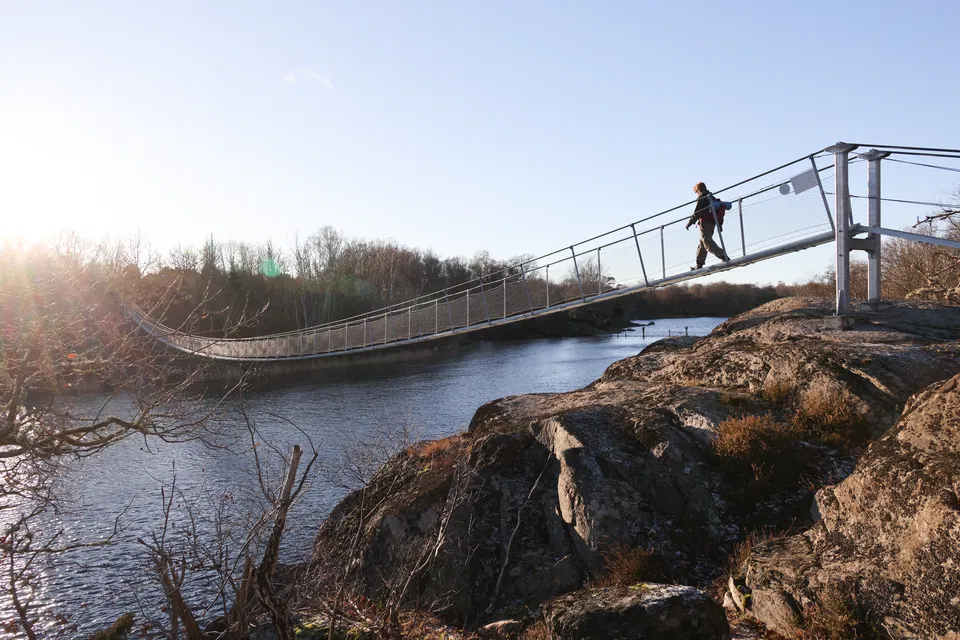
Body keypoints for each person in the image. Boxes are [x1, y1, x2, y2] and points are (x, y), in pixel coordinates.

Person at [685, 182, 730, 269]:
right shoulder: (711, 197)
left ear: (698, 190)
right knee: (703, 242)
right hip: (712, 223)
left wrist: (689, 223)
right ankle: (699, 264)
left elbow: (697, 213)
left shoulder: (702, 197)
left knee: (707, 242)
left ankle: (723, 256)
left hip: (705, 223)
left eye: (696, 192)